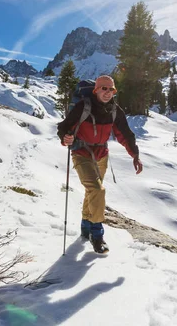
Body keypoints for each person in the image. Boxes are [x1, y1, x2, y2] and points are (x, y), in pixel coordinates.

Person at [57, 75, 143, 254]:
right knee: (97, 190)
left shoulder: (114, 110)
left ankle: (85, 227)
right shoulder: (83, 106)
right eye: (104, 88)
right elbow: (64, 126)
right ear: (96, 90)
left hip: (102, 155)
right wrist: (66, 137)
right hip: (82, 153)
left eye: (111, 89)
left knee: (92, 192)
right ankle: (97, 235)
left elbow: (125, 134)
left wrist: (135, 155)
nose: (108, 92)